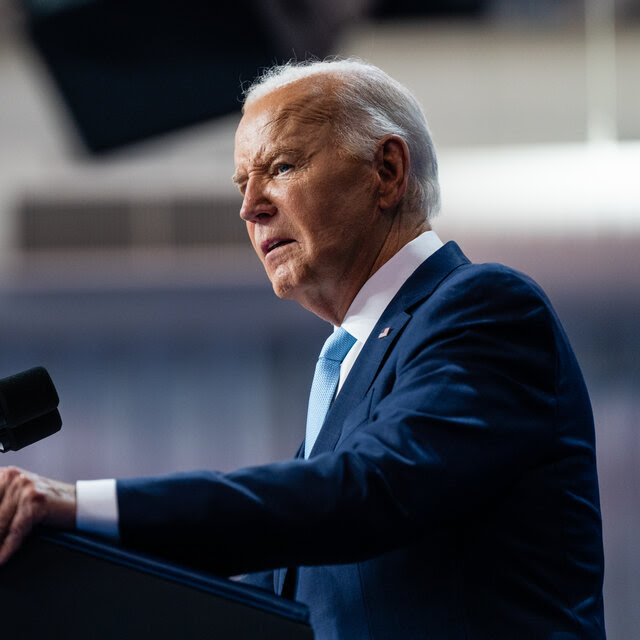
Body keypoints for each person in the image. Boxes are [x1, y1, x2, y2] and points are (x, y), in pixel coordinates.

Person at [0, 59, 605, 639]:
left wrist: (78, 506)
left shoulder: (483, 308)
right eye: (243, 183)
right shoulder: (349, 380)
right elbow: (257, 605)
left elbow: (363, 493)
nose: (250, 207)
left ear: (387, 172)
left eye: (281, 167)